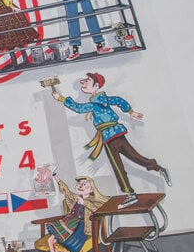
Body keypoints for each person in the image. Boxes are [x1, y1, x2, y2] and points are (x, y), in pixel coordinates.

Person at [51, 72, 171, 207]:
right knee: (135, 156)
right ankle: (158, 168)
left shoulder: (94, 104)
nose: (83, 82)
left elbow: (78, 108)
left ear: (96, 85)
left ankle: (130, 194)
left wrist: (60, 98)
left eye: (87, 80)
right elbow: (119, 101)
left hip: (108, 137)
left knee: (118, 167)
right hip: (118, 132)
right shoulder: (105, 100)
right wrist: (130, 111)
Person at [43, 170, 109, 252]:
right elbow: (66, 191)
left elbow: (98, 210)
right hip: (69, 223)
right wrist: (55, 176)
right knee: (51, 241)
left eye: (84, 184)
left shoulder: (94, 202)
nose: (80, 186)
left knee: (51, 241)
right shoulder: (76, 198)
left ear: (91, 189)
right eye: (79, 184)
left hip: (80, 228)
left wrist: (85, 203)